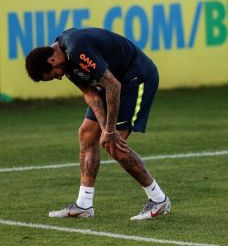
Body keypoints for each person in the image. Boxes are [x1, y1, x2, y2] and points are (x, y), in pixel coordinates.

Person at [25, 27, 171, 220]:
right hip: (112, 82)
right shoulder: (64, 61)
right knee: (87, 133)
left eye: (54, 74)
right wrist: (104, 127)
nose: (59, 77)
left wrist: (109, 131)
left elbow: (113, 85)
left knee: (114, 145)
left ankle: (159, 200)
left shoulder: (77, 51)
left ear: (52, 60)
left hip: (136, 78)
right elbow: (91, 94)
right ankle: (84, 205)